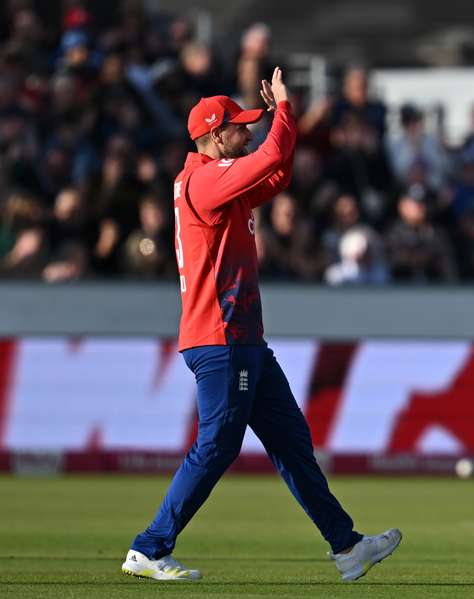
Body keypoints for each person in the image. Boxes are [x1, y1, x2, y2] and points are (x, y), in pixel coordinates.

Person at [121, 67, 401, 582]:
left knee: (292, 444)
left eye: (250, 125)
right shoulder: (204, 181)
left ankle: (347, 546)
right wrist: (286, 113)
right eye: (239, 127)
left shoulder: (219, 184)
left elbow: (278, 173)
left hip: (242, 338)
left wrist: (281, 125)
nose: (247, 133)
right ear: (212, 134)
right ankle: (149, 547)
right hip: (222, 336)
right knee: (219, 443)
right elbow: (271, 157)